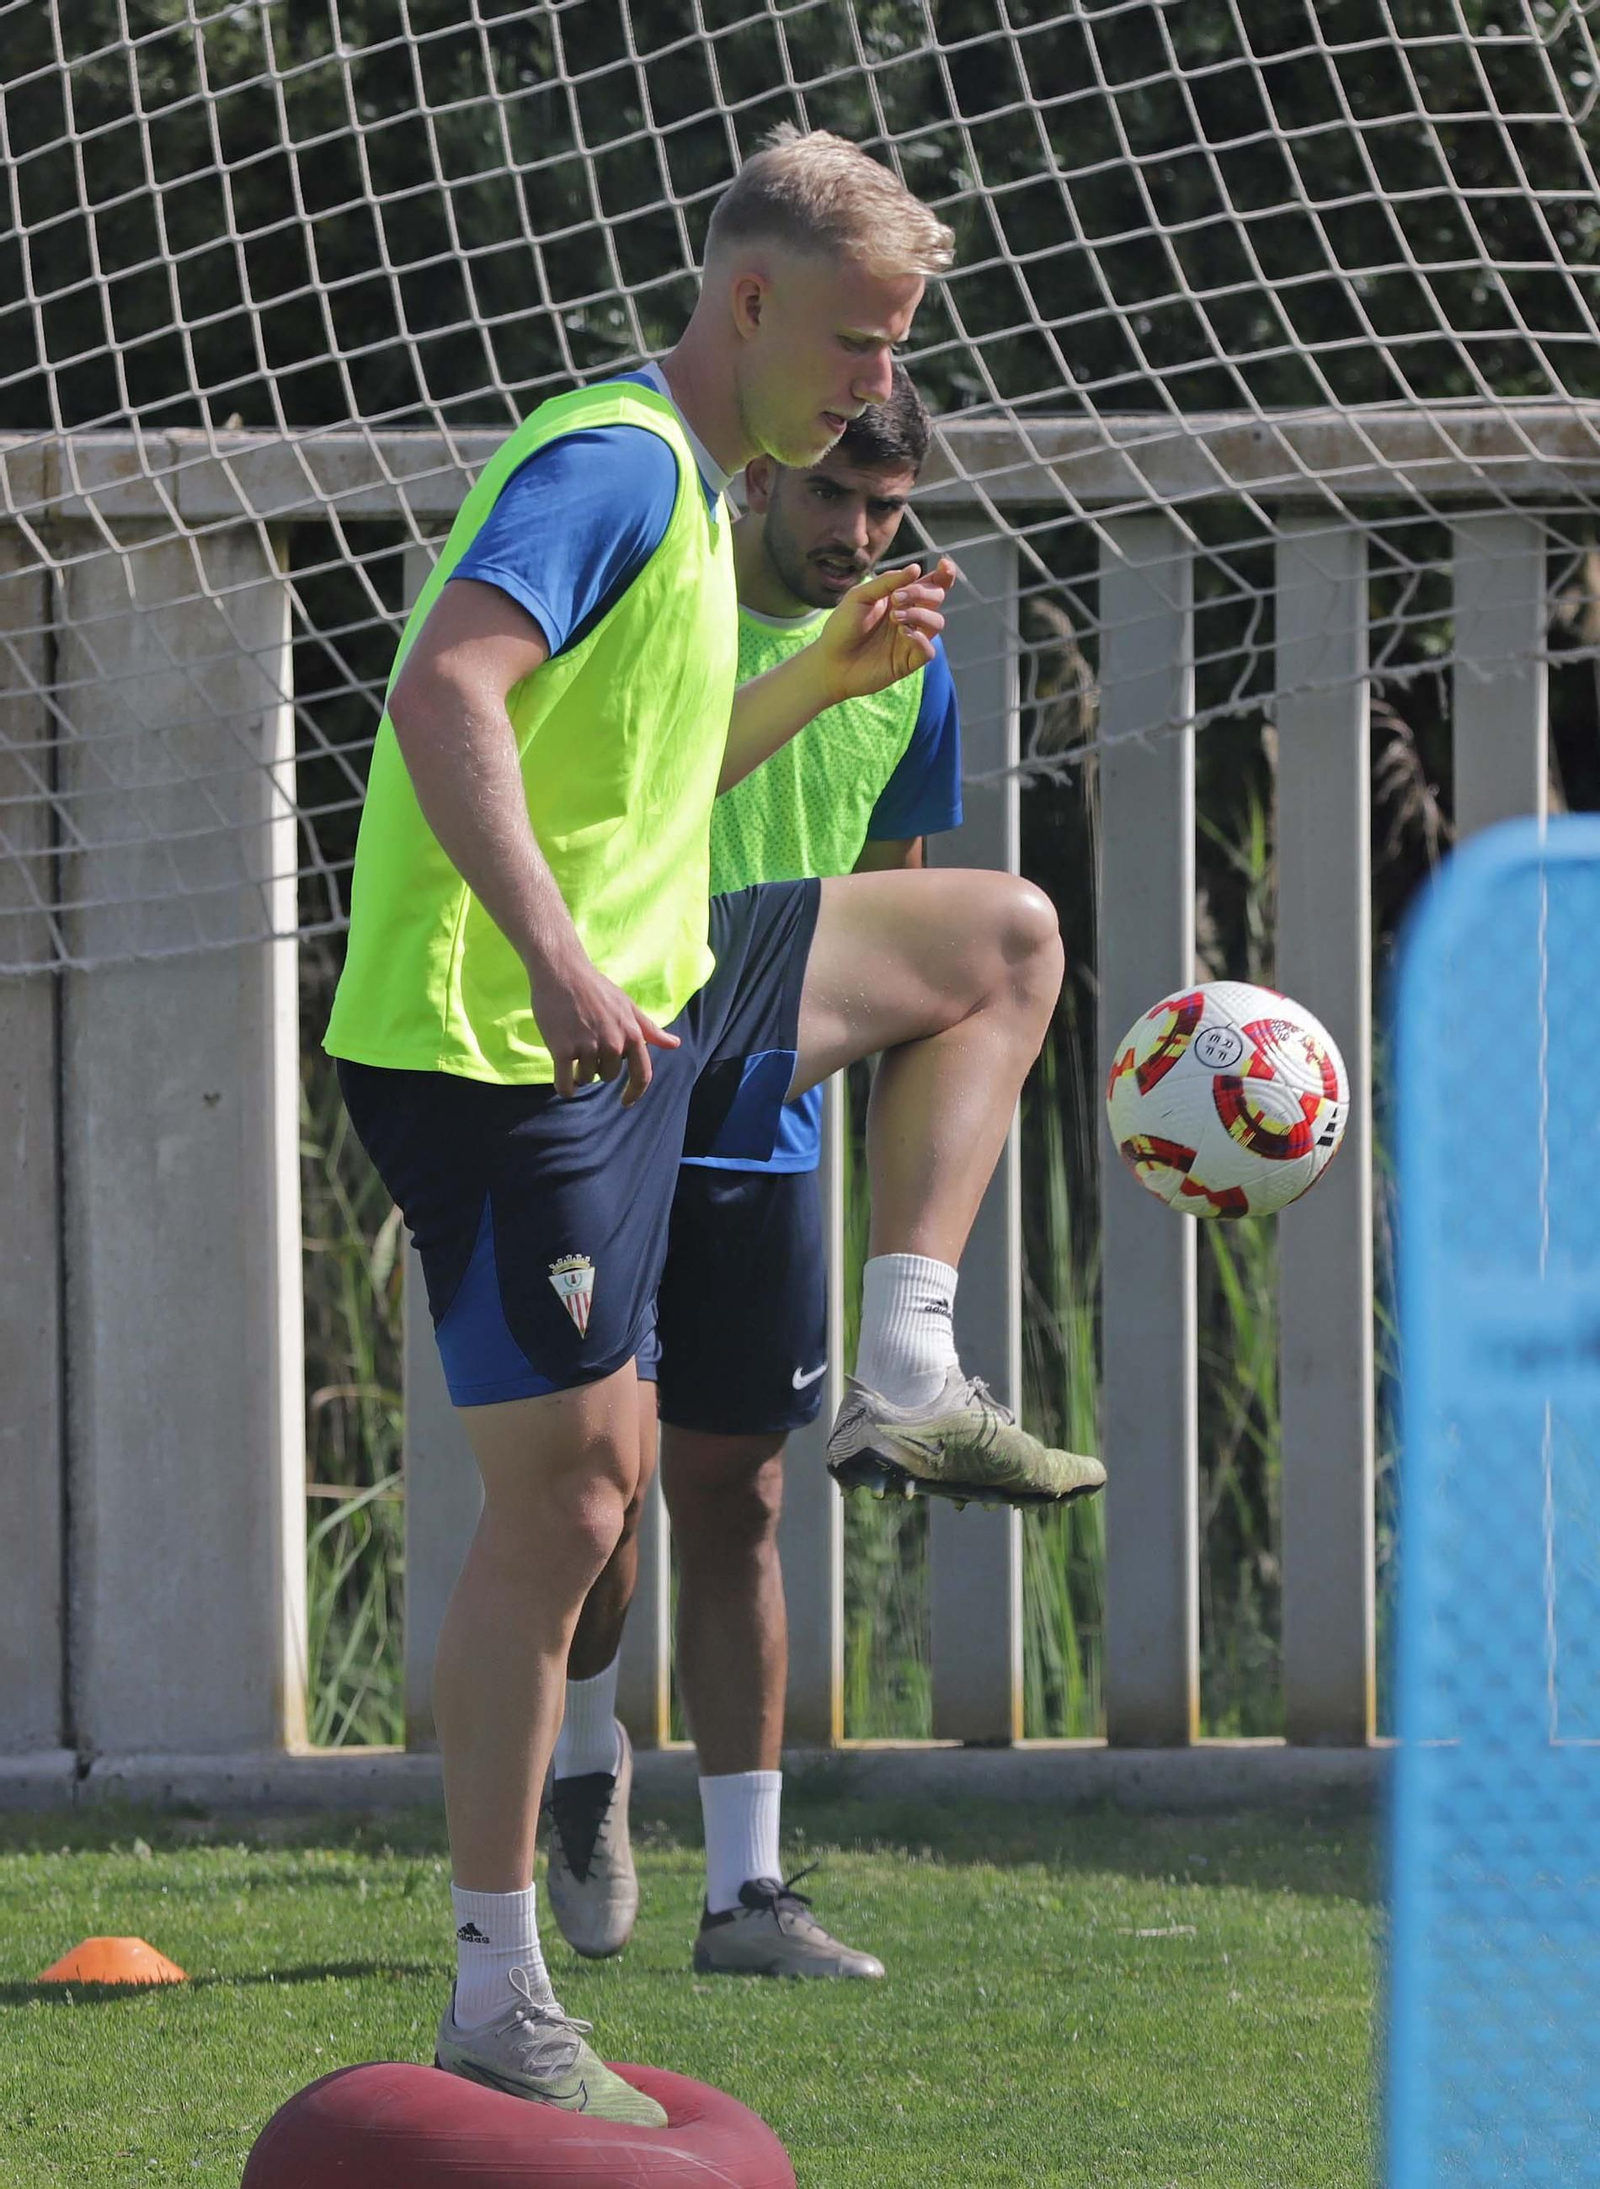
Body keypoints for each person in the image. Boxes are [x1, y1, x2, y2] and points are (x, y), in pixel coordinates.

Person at [324, 126, 1103, 2124]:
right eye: (856, 342)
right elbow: (446, 696)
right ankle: (496, 1983)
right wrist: (557, 961)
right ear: (750, 303)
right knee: (579, 1505)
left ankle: (905, 1361)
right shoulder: (611, 465)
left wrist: (819, 681)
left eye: (896, 346)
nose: (877, 384)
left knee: (999, 940)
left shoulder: (695, 486)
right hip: (503, 1044)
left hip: (660, 982)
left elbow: (653, 782)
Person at [544, 366, 962, 1981]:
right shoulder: (674, 611)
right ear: (766, 478)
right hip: (609, 1098)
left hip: (763, 1131)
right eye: (833, 495)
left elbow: (892, 920)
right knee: (600, 1495)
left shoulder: (911, 668)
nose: (858, 534)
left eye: (886, 510)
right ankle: (589, 1750)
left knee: (744, 1495)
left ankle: (746, 1893)